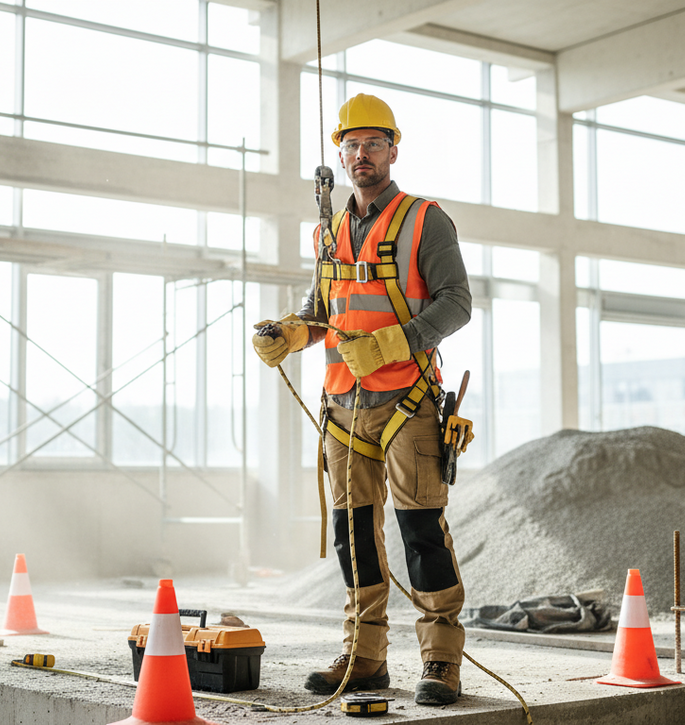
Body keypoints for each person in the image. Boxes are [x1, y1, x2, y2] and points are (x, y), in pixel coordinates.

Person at [252, 94, 472, 706]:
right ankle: (365, 656)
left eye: (373, 143)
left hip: (408, 401)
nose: (360, 154)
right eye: (350, 145)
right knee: (353, 536)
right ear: (340, 155)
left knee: (421, 530)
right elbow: (320, 311)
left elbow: (456, 302)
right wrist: (291, 333)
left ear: (393, 150)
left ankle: (439, 660)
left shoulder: (425, 219)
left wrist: (394, 344)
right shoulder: (328, 231)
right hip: (343, 408)